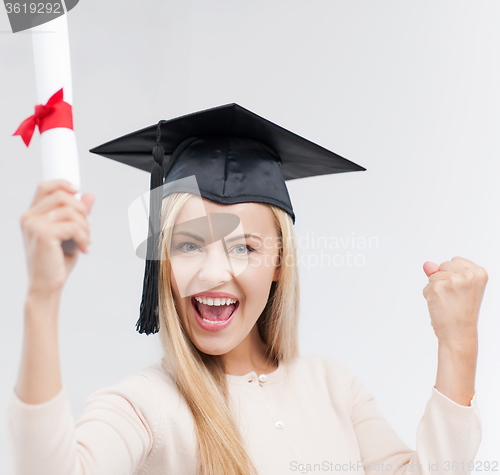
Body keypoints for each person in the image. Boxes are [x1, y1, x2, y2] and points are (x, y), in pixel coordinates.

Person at [8, 104, 486, 475]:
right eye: (189, 245)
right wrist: (41, 300)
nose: (214, 274)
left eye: (243, 248)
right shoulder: (144, 405)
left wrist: (458, 342)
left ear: (279, 263)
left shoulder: (333, 388)